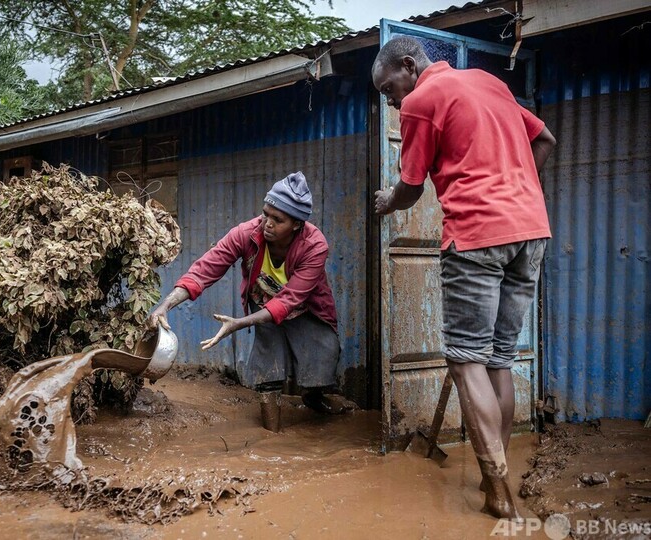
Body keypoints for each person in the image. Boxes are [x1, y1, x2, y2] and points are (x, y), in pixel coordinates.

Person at [371, 37, 556, 520]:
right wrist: (517, 191)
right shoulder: (489, 83)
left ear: (409, 66)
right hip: (531, 233)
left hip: (477, 236)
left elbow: (411, 188)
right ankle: (492, 475)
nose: (391, 101)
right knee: (497, 359)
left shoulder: (421, 101)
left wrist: (387, 200)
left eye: (389, 88)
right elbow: (544, 140)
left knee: (465, 362)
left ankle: (499, 494)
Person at [148, 171, 344, 431]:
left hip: (305, 307)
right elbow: (206, 268)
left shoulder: (315, 245)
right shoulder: (247, 233)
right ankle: (271, 435)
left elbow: (289, 300)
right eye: (265, 214)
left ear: (297, 224)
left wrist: (238, 323)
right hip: (261, 303)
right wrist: (166, 304)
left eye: (278, 219)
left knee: (322, 357)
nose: (267, 224)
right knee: (268, 365)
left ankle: (314, 397)